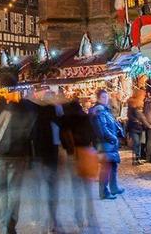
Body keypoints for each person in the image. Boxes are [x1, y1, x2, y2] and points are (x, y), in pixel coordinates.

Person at [0, 92, 36, 234]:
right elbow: (30, 137)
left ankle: (4, 223)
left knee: (2, 191)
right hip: (18, 156)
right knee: (14, 190)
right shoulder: (27, 114)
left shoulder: (4, 111)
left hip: (1, 155)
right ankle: (11, 223)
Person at [61, 98, 99, 232]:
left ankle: (79, 219)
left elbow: (63, 140)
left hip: (73, 156)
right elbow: (94, 136)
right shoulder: (85, 118)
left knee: (76, 190)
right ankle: (91, 218)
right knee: (88, 190)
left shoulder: (65, 121)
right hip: (86, 154)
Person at [31, 89, 62, 232]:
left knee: (40, 187)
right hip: (51, 155)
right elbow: (58, 138)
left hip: (40, 156)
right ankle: (51, 220)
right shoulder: (54, 119)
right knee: (51, 187)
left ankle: (39, 217)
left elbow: (32, 138)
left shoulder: (37, 118)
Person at [89, 89, 124, 199]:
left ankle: (114, 187)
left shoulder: (105, 110)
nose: (106, 99)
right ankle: (104, 192)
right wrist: (113, 138)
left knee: (113, 165)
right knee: (106, 168)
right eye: (103, 97)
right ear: (99, 98)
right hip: (105, 143)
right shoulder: (99, 111)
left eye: (107, 97)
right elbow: (102, 129)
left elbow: (110, 124)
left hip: (109, 144)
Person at [126, 90, 147, 165]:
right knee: (136, 142)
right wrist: (137, 120)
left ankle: (138, 158)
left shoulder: (140, 104)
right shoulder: (132, 104)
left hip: (139, 127)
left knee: (139, 143)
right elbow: (129, 115)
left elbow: (141, 116)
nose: (144, 97)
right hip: (133, 127)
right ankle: (135, 158)